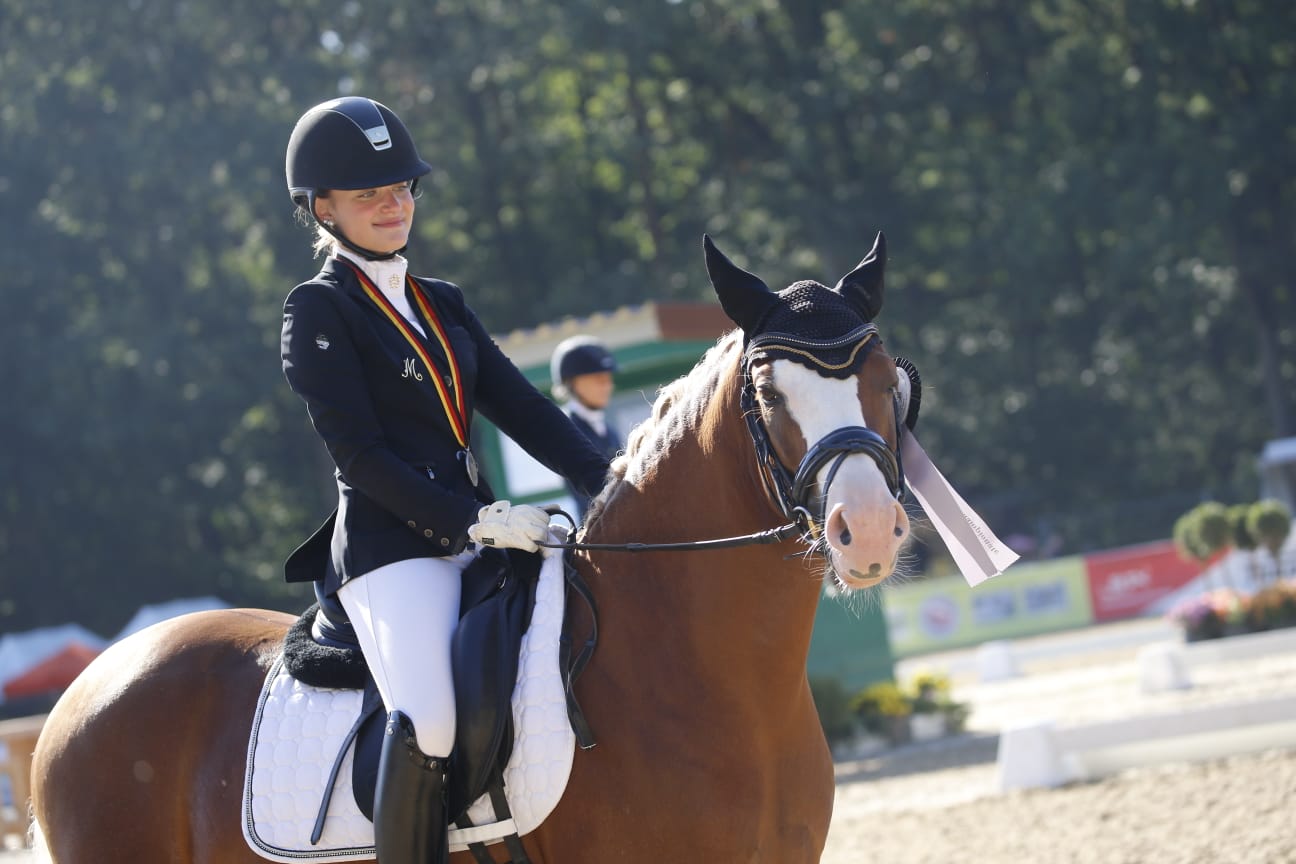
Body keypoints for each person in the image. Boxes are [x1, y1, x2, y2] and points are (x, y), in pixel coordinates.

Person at [279, 96, 609, 864]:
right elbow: (359, 459)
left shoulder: (440, 301)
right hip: (394, 551)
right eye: (370, 195)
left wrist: (613, 478)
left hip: (481, 534)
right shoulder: (319, 310)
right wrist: (473, 522)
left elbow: (524, 408)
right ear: (322, 208)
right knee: (428, 718)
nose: (394, 205)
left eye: (402, 188)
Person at [550, 335, 621, 519]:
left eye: (608, 378)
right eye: (598, 378)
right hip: (595, 531)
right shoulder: (564, 428)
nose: (607, 385)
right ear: (572, 382)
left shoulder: (609, 431)